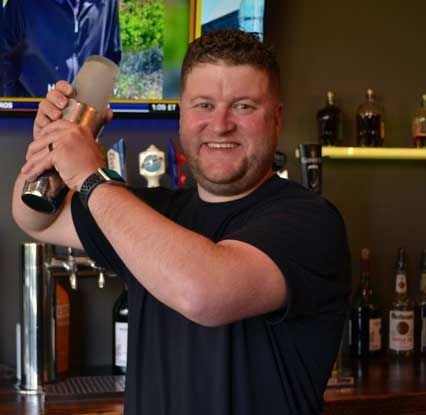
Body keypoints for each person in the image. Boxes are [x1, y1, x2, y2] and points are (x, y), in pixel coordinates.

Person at [12, 29, 351, 415]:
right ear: (182, 115)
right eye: (204, 105)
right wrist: (48, 147)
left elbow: (204, 293)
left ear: (276, 119)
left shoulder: (310, 221)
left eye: (243, 106)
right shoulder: (147, 212)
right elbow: (36, 219)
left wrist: (91, 176)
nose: (220, 124)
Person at [0, 0, 121, 97]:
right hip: (34, 111)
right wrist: (17, 108)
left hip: (85, 114)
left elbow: (112, 55)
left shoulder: (107, 4)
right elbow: (6, 55)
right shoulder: (22, 3)